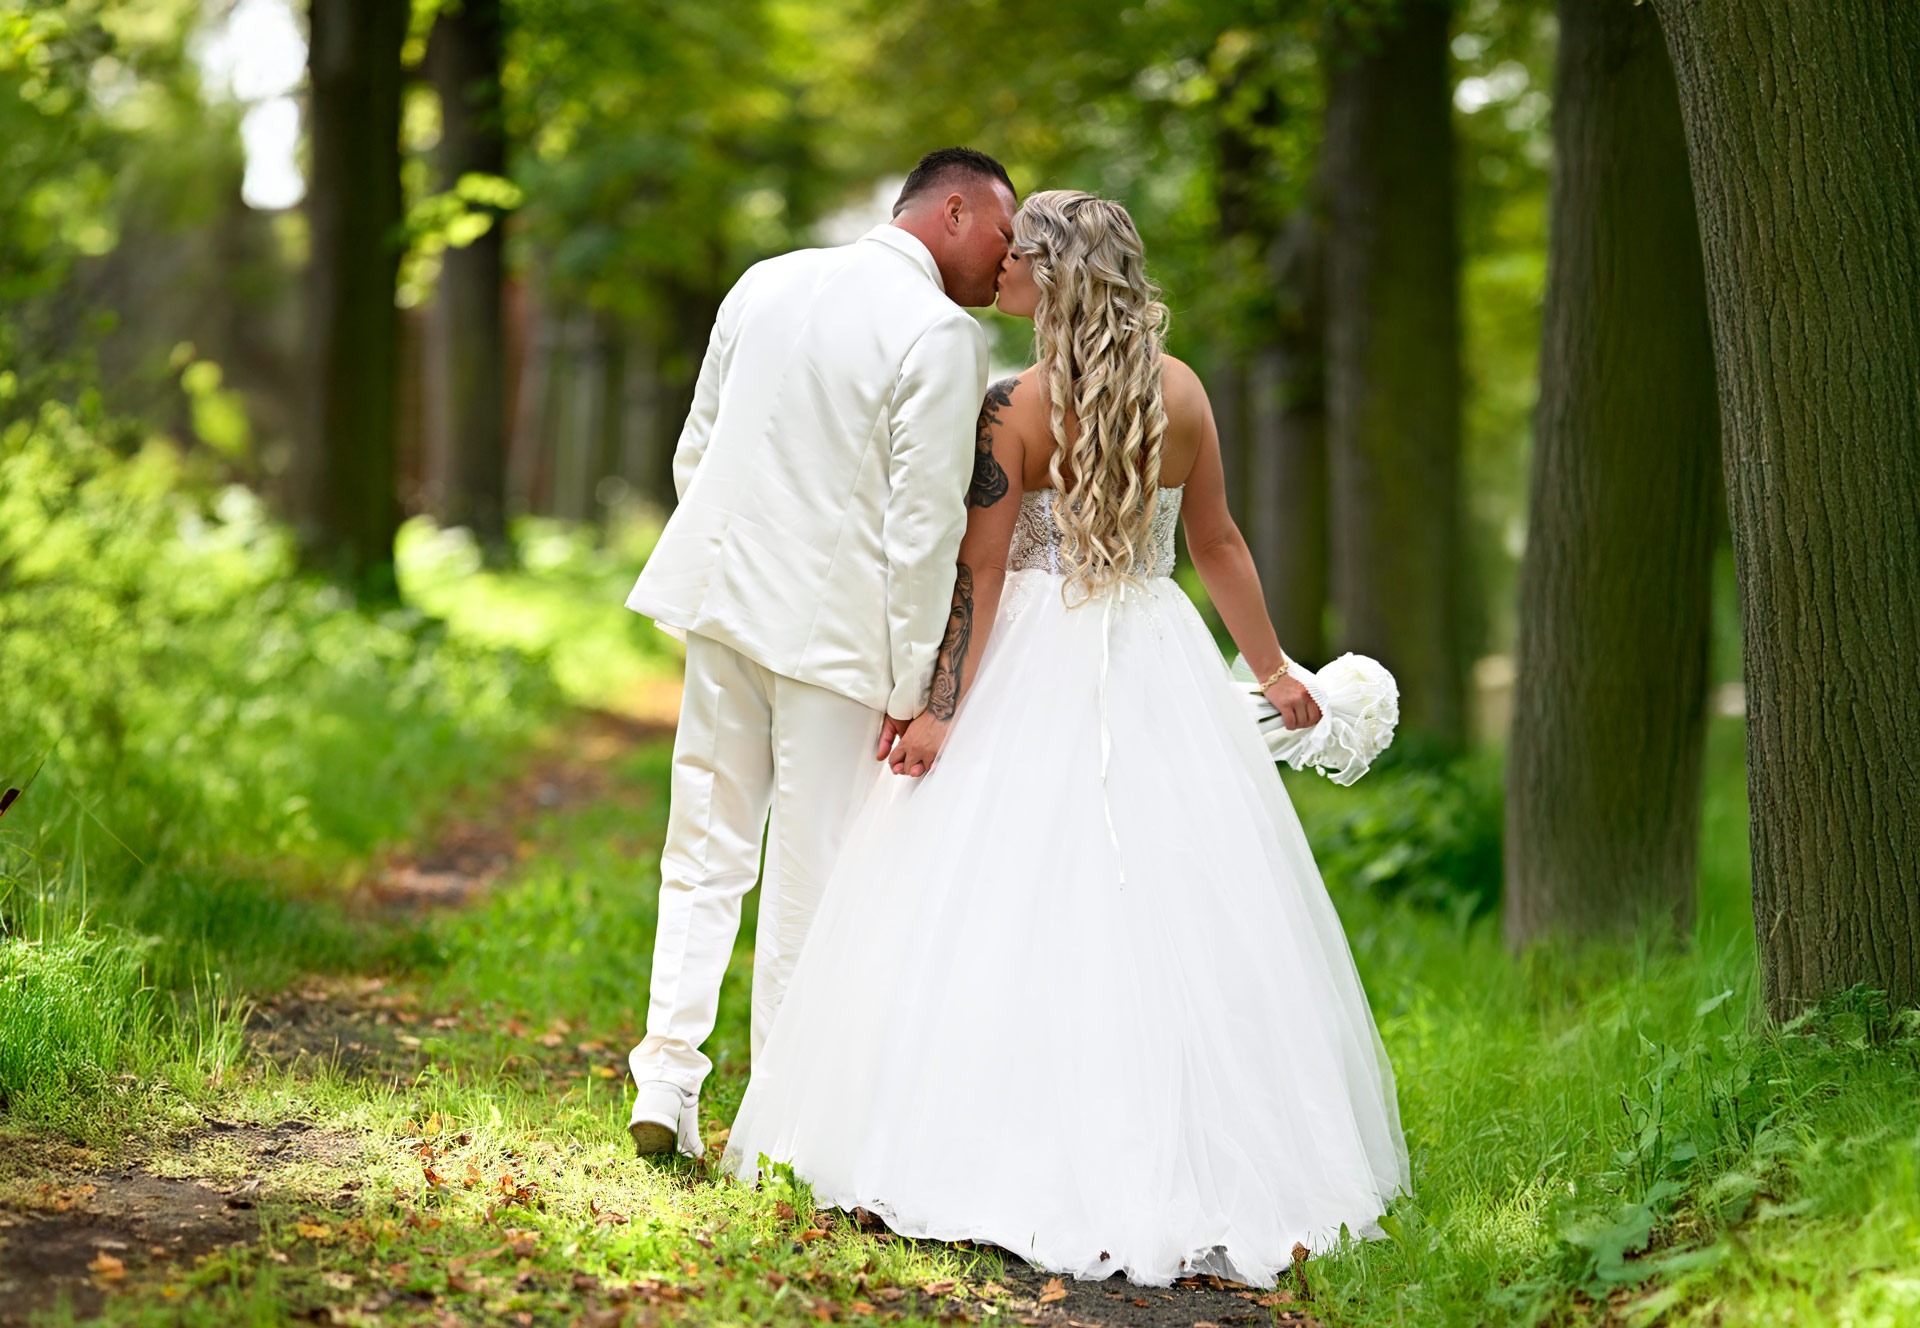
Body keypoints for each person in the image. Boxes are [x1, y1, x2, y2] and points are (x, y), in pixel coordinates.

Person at [724, 190, 1409, 1286]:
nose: (999, 268)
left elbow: (982, 573)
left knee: (992, 895)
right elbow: (1218, 541)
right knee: (1165, 898)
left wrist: (942, 707)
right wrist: (1270, 667)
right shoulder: (1180, 394)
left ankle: (977, 1137)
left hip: (1035, 656)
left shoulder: (1014, 406)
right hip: (1154, 650)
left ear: (1056, 274)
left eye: (1019, 257)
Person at [622, 148, 1017, 1157]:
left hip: (723, 607)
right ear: (955, 209)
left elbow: (696, 448)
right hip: (833, 642)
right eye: (1004, 237)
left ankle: (665, 1078)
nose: (1007, 264)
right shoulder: (938, 332)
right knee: (814, 877)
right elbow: (921, 523)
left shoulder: (769, 279)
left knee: (700, 851)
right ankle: (776, 1126)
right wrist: (910, 678)